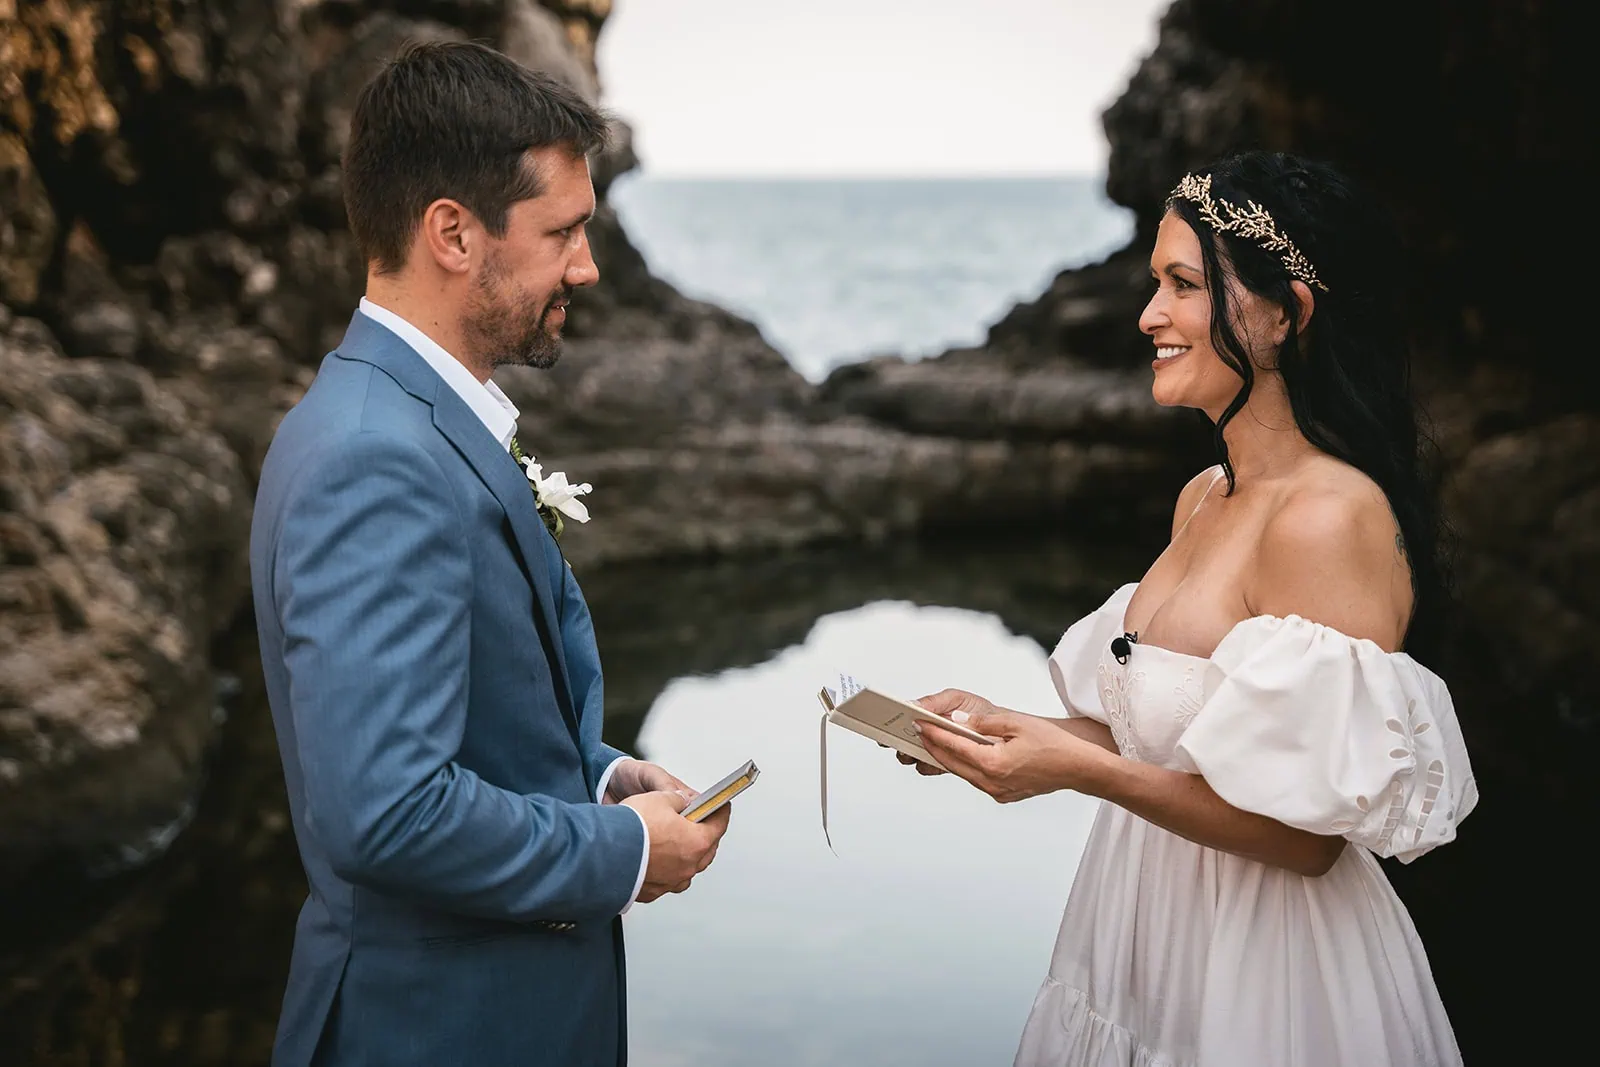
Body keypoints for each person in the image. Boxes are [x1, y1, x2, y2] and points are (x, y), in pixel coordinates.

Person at [908, 151, 1475, 1067]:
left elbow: (1304, 839)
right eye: (1153, 282)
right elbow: (1169, 741)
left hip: (1267, 965)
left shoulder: (1331, 518)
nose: (1148, 315)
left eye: (1181, 284)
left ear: (1286, 313)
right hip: (1139, 927)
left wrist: (1074, 772)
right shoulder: (1204, 495)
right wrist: (1008, 727)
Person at [249, 42, 729, 1067]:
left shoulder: (407, 419)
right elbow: (386, 810)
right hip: (433, 1029)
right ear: (453, 234)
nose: (588, 266)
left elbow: (462, 724)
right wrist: (628, 846)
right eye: (562, 232)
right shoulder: (373, 454)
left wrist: (596, 779)